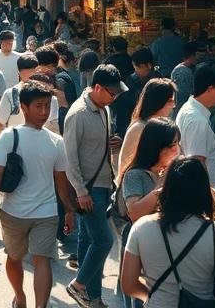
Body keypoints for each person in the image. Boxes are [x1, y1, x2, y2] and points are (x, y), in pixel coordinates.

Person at [0, 81, 77, 308]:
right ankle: (23, 297)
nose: (44, 112)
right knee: (26, 259)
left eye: (47, 106)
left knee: (33, 260)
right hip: (17, 212)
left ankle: (29, 302)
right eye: (38, 106)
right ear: (24, 107)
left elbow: (61, 180)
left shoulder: (50, 141)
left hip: (38, 212)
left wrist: (68, 210)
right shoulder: (14, 136)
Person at [119, 156, 215, 308]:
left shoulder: (141, 227)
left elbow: (128, 285)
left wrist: (153, 297)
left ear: (166, 187)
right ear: (204, 191)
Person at [65, 65, 128, 308]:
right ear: (98, 88)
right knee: (103, 241)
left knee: (90, 241)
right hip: (88, 190)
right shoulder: (78, 114)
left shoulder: (104, 109)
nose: (115, 97)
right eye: (112, 93)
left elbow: (94, 146)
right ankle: (78, 286)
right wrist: (81, 192)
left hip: (103, 184)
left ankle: (94, 298)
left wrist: (111, 142)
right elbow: (70, 159)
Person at [115, 118, 182, 308]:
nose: (177, 150)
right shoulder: (135, 175)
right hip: (140, 245)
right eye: (173, 145)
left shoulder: (172, 171)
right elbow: (135, 212)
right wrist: (162, 185)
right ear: (157, 147)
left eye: (178, 143)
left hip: (165, 246)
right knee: (140, 300)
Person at [177, 63, 215, 188]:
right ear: (210, 89)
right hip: (201, 195)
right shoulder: (197, 120)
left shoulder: (190, 109)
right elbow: (197, 164)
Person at [117, 78, 176, 180]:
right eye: (170, 101)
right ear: (158, 102)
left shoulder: (163, 128)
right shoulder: (139, 128)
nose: (173, 106)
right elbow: (124, 167)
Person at [0, 54, 59, 135]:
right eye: (26, 72)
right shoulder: (11, 94)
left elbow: (54, 125)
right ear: (19, 73)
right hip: (16, 142)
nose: (29, 76)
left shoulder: (47, 94)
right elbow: (0, 123)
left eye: (32, 71)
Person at [112, 48, 157, 138]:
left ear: (149, 65)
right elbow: (124, 110)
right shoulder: (131, 80)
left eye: (138, 67)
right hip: (134, 127)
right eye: (134, 67)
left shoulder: (159, 81)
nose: (135, 70)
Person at [171, 42, 201, 116]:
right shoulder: (183, 72)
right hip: (181, 110)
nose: (199, 58)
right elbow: (184, 95)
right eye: (197, 55)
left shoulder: (184, 68)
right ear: (191, 55)